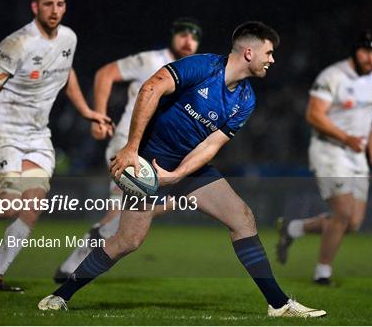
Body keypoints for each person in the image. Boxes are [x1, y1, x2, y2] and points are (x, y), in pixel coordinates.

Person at [38, 21, 326, 318]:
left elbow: (210, 147)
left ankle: (278, 304)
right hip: (147, 163)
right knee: (128, 241)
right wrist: (132, 149)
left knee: (242, 218)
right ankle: (62, 294)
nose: (272, 59)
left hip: (188, 168)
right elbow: (151, 87)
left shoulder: (245, 100)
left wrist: (178, 175)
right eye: (269, 52)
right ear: (249, 52)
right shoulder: (203, 67)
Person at [0, 0, 111, 292]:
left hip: (37, 135)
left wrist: (88, 111)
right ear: (35, 7)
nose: (55, 10)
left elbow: (68, 73)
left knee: (33, 205)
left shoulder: (68, 38)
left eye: (60, 4)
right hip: (2, 131)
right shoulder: (18, 42)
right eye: (48, 4)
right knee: (8, 207)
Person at [53, 18, 202, 283]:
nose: (188, 40)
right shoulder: (150, 60)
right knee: (125, 211)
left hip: (157, 151)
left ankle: (84, 249)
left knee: (165, 203)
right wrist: (99, 116)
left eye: (194, 36)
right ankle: (72, 268)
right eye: (182, 34)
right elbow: (105, 74)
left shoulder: (195, 71)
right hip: (126, 144)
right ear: (173, 37)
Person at [276, 31, 372, 285]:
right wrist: (346, 138)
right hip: (329, 150)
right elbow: (314, 115)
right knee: (343, 212)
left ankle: (294, 228)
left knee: (354, 223)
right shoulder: (333, 76)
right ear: (355, 52)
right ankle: (322, 273)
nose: (371, 58)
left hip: (357, 155)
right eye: (366, 52)